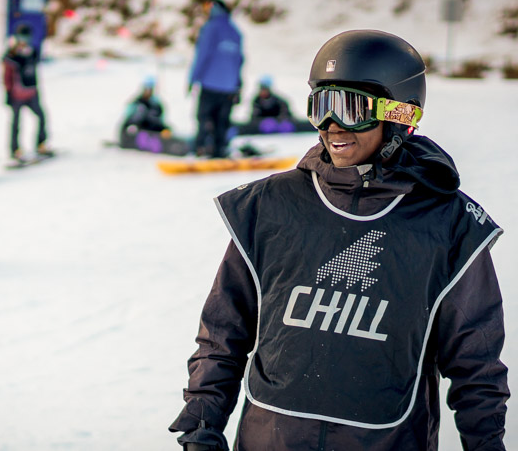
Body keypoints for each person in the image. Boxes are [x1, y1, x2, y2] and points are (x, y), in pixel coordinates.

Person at [170, 30, 509, 450]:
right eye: (321, 107)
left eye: (350, 108)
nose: (332, 126)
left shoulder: (448, 224)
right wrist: (201, 428)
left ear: (399, 115)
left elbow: (476, 363)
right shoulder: (270, 206)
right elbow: (223, 333)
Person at [188, 0, 244, 158]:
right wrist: (237, 84)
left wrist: (193, 79)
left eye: (208, 6)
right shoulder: (235, 32)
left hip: (210, 84)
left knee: (204, 117)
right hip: (229, 86)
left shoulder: (210, 28)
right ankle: (220, 149)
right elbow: (239, 60)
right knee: (222, 120)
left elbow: (202, 55)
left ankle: (202, 148)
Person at [2, 24, 51, 162]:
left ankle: (41, 144)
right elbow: (7, 76)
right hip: (16, 95)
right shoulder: (11, 55)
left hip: (31, 93)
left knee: (41, 116)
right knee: (16, 123)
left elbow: (33, 72)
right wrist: (8, 94)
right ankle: (15, 150)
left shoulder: (33, 52)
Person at [120, 75, 171, 147]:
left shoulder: (156, 104)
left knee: (159, 123)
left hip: (152, 128)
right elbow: (127, 118)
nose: (148, 91)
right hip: (139, 128)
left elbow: (161, 119)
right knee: (140, 115)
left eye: (150, 89)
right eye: (146, 89)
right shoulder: (136, 103)